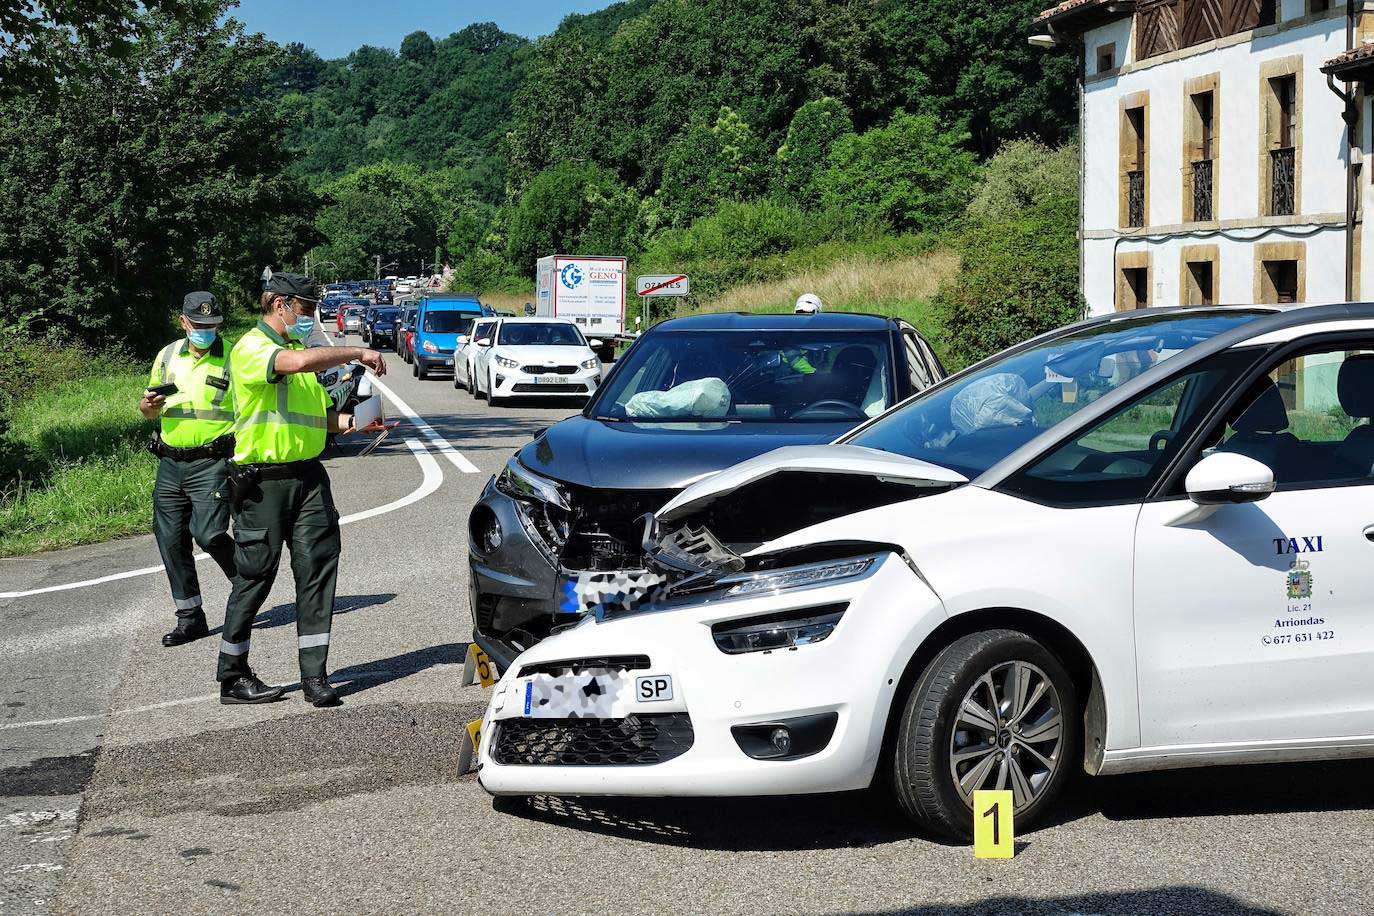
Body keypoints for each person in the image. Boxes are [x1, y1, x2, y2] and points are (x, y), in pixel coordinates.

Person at [215, 273, 387, 707]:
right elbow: (295, 364)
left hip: (308, 478)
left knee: (317, 571)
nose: (310, 318)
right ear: (280, 305)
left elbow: (317, 417)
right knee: (254, 576)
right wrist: (358, 351)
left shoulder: (297, 352)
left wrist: (354, 422)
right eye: (306, 309)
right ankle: (232, 675)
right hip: (263, 482)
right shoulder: (253, 348)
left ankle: (315, 675)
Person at [139, 292, 238, 648]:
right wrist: (147, 406)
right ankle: (190, 617)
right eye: (198, 324)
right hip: (170, 462)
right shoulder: (166, 356)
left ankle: (248, 586)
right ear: (183, 322)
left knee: (209, 534)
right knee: (169, 539)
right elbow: (148, 410)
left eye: (211, 325)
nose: (205, 331)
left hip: (213, 461)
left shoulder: (234, 358)